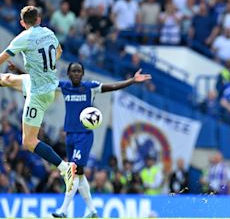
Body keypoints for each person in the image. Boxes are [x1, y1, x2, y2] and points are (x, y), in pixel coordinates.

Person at [4, 62, 151, 217]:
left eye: (79, 71)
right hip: (70, 136)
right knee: (79, 174)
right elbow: (40, 83)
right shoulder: (64, 86)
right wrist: (19, 71)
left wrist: (132, 81)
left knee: (72, 171)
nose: (76, 74)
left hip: (84, 136)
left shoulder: (90, 87)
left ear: (83, 73)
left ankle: (63, 210)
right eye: (73, 71)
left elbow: (112, 86)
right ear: (68, 74)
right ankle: (92, 210)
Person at [0, 6, 76, 193]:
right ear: (39, 19)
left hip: (38, 94)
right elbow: (58, 52)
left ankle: (64, 167)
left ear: (22, 23)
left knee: (28, 141)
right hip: (45, 85)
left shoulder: (23, 37)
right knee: (6, 79)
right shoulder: (49, 32)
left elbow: (2, 58)